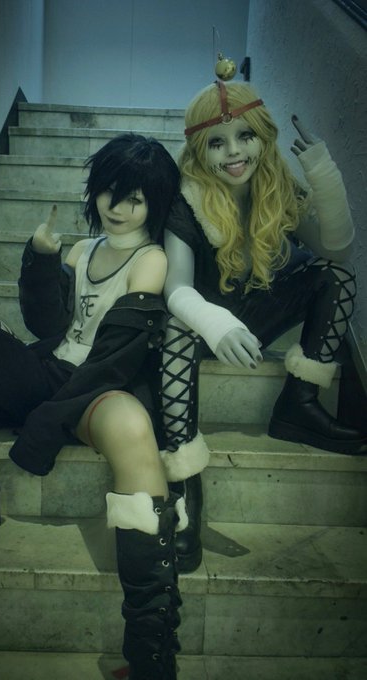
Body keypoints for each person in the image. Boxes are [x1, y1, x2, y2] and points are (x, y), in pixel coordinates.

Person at [0, 133, 187, 679]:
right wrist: (42, 258)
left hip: (95, 384)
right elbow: (45, 324)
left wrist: (51, 415)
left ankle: (151, 653)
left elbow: (115, 358)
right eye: (109, 191)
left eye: (134, 198)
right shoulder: (83, 250)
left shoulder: (151, 260)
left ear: (154, 203)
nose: (117, 206)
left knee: (132, 425)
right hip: (50, 366)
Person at [159, 80, 367, 573]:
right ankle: (184, 478)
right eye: (217, 142)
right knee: (176, 327)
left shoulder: (276, 187)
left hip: (257, 316)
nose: (234, 152)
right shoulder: (184, 201)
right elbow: (176, 289)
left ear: (263, 137)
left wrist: (324, 175)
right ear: (199, 149)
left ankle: (298, 405)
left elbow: (338, 251)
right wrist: (214, 322)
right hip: (203, 328)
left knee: (335, 277)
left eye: (245, 136)